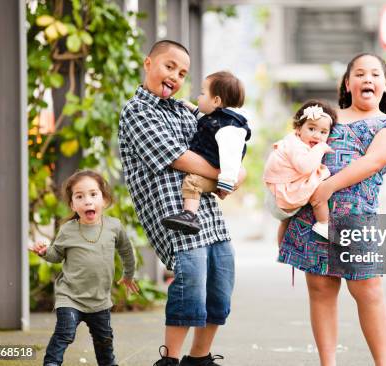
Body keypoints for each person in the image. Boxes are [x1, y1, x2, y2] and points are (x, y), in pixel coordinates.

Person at [278, 53, 386, 366]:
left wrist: (327, 189)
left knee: (368, 289)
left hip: (356, 220)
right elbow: (296, 159)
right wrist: (285, 214)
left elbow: (372, 162)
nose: (367, 79)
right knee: (320, 288)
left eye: (375, 74)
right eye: (359, 74)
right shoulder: (325, 120)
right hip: (310, 218)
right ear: (347, 83)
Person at [119, 40, 242, 366]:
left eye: (182, 72)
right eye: (169, 66)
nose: (175, 76)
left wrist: (234, 168)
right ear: (148, 63)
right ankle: (170, 360)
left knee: (221, 285)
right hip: (175, 215)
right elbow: (178, 158)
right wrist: (226, 173)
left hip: (209, 216)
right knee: (191, 285)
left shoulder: (188, 111)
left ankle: (199, 359)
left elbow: (221, 147)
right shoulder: (137, 111)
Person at [29, 170, 138, 366]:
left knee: (104, 341)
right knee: (65, 332)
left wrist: (128, 275)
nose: (87, 201)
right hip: (70, 296)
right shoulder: (68, 230)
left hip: (99, 300)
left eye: (93, 194)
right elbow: (57, 255)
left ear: (104, 199)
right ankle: (51, 363)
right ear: (72, 204)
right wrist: (45, 252)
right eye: (79, 196)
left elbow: (127, 251)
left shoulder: (114, 226)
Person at [162, 71, 250, 234]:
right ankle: (189, 214)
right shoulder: (221, 120)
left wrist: (225, 185)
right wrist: (191, 108)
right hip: (214, 171)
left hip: (221, 177)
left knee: (193, 181)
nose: (198, 97)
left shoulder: (230, 130)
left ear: (216, 100)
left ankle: (189, 215)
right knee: (193, 181)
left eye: (202, 93)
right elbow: (207, 120)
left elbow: (231, 159)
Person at [263, 100, 335, 241]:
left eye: (323, 132)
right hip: (282, 196)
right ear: (298, 128)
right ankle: (323, 223)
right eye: (311, 129)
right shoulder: (296, 146)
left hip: (279, 195)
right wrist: (320, 148)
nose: (317, 135)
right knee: (320, 187)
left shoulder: (294, 141)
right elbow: (305, 167)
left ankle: (282, 250)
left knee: (286, 222)